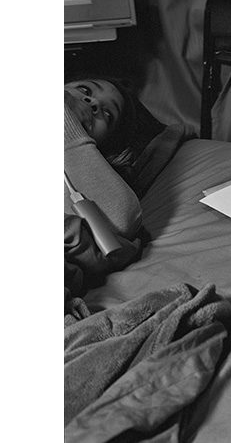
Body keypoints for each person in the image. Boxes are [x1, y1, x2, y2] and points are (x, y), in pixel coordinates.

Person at [64, 75, 144, 296]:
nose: (93, 103)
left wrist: (66, 120)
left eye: (107, 114)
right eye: (85, 90)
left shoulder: (78, 177)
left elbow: (121, 220)